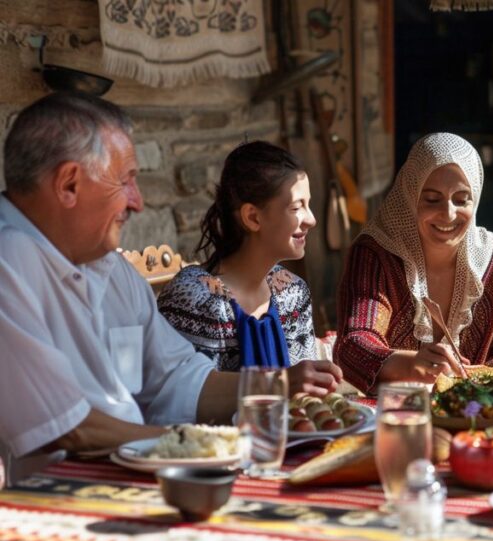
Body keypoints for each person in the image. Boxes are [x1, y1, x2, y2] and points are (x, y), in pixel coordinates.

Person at [0, 93, 342, 467]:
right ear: (68, 184)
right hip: (51, 502)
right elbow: (68, 428)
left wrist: (279, 384)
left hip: (127, 483)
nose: (138, 201)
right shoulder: (9, 262)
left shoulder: (112, 271)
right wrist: (201, 444)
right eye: (126, 180)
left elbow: (175, 377)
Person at [333, 133, 493, 394]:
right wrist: (413, 364)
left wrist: (465, 386)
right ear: (410, 195)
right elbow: (353, 345)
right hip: (395, 417)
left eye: (461, 199)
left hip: (480, 415)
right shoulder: (376, 254)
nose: (448, 213)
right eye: (432, 199)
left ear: (476, 199)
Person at [158, 141, 318, 370]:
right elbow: (184, 398)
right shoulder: (196, 301)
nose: (311, 219)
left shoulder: (292, 294)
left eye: (308, 205)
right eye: (296, 207)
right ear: (253, 217)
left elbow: (305, 394)